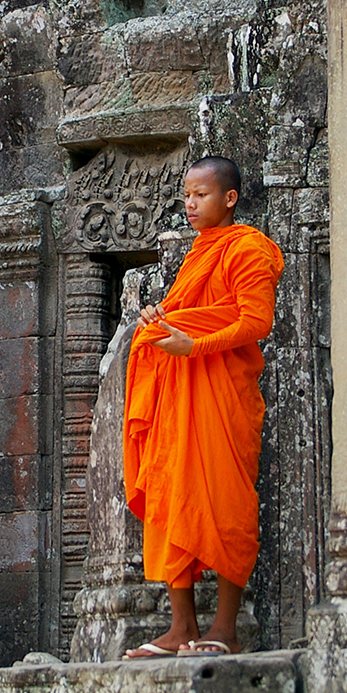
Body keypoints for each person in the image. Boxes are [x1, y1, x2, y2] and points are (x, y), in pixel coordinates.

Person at [122, 156, 284, 658]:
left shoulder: (248, 248)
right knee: (173, 495)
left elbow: (255, 323)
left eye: (201, 195)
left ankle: (226, 629)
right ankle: (181, 628)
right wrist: (162, 316)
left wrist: (192, 346)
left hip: (223, 393)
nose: (190, 204)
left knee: (226, 502)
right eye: (186, 196)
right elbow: (191, 314)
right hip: (181, 394)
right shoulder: (197, 253)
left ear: (229, 198)